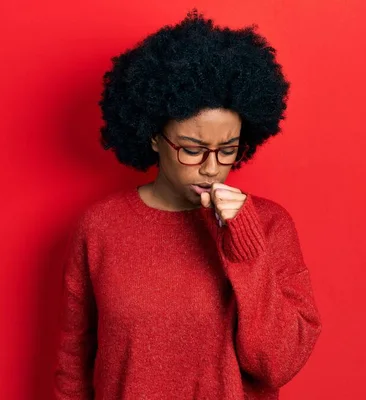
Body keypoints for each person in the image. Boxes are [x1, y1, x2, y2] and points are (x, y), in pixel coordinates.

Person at [53, 8, 322, 400]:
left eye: (228, 150)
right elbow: (74, 358)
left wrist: (246, 247)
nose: (212, 168)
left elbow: (277, 363)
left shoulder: (268, 224)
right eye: (193, 150)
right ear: (154, 137)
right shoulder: (101, 226)